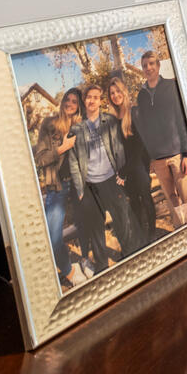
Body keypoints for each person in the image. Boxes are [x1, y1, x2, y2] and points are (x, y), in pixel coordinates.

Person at [64, 81, 134, 272]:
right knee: (96, 229)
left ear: (100, 101)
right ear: (84, 100)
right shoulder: (77, 129)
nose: (92, 101)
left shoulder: (109, 121)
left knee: (122, 220)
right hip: (90, 185)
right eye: (89, 97)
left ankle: (130, 256)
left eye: (96, 97)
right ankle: (102, 266)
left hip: (111, 180)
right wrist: (80, 188)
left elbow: (118, 149)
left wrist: (121, 174)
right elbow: (74, 162)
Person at [133, 50, 187, 227]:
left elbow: (181, 119)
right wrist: (149, 158)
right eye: (145, 65)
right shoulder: (141, 96)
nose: (148, 68)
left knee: (186, 197)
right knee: (172, 200)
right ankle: (180, 230)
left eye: (151, 64)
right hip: (157, 159)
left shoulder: (171, 86)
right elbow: (145, 129)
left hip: (177, 154)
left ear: (158, 65)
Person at [32, 87, 86, 287]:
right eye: (67, 100)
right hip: (58, 185)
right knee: (53, 236)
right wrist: (63, 147)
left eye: (74, 101)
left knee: (87, 224)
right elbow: (41, 158)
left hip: (79, 183)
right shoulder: (49, 124)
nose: (70, 104)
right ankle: (69, 272)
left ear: (78, 106)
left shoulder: (80, 125)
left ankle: (84, 261)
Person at [107, 74, 159, 249]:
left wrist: (124, 171)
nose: (115, 95)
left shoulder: (134, 112)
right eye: (112, 93)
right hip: (123, 168)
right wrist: (119, 170)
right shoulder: (112, 119)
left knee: (146, 198)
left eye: (118, 91)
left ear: (123, 92)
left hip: (137, 166)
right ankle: (142, 237)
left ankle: (152, 233)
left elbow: (140, 145)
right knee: (134, 202)